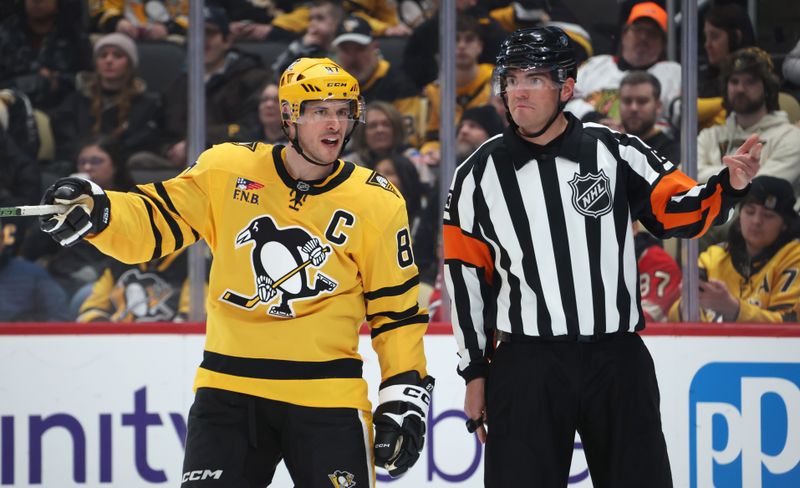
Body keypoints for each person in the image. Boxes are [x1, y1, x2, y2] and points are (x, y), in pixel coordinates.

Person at [39, 57, 433, 486]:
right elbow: (155, 220)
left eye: (343, 111)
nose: (335, 124)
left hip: (328, 398)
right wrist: (102, 213)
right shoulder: (227, 169)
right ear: (289, 116)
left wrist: (401, 392)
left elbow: (397, 312)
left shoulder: (378, 201)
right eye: (320, 110)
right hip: (229, 392)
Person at [443, 26, 762, 487]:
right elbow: (466, 281)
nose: (518, 91)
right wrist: (474, 374)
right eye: (510, 79)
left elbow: (677, 211)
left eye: (533, 78)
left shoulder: (615, 151)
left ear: (566, 87)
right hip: (526, 364)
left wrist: (727, 187)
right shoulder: (475, 175)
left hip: (616, 359)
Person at [670, 176, 800, 323]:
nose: (756, 221)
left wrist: (734, 309)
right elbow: (673, 319)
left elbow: (790, 324)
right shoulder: (713, 257)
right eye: (750, 212)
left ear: (785, 224)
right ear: (739, 216)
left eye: (768, 216)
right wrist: (686, 304)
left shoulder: (795, 257)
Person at [163, 6, 269, 167]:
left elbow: (250, 130)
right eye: (195, 34)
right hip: (180, 167)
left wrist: (201, 142)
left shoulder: (252, 79)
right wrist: (168, 149)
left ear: (227, 40)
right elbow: (159, 131)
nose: (201, 40)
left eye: (209, 33)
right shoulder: (178, 85)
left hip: (232, 164)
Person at [697, 47, 800, 207]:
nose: (740, 89)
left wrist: (708, 174)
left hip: (758, 224)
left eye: (750, 81)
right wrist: (741, 175)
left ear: (766, 88)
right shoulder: (708, 136)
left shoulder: (791, 137)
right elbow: (686, 176)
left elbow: (761, 188)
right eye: (734, 81)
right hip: (705, 222)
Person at [48, 32, 164, 168]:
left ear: (130, 64)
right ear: (96, 63)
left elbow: (145, 141)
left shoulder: (147, 104)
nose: (109, 60)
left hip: (125, 171)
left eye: (118, 56)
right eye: (103, 55)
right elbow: (65, 141)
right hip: (81, 167)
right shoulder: (75, 101)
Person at [566, 2, 680, 125]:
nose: (643, 37)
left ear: (663, 43)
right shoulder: (595, 65)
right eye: (638, 30)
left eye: (652, 33)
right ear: (624, 34)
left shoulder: (674, 73)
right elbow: (563, 100)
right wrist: (592, 118)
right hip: (590, 140)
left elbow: (681, 116)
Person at [333, 15, 425, 145]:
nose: (353, 58)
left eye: (360, 49)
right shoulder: (331, 87)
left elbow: (408, 139)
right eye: (345, 50)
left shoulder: (399, 85)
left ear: (375, 47)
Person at [0, 0, 92, 110]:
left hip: (62, 112)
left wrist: (56, 80)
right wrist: (37, 80)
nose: (36, 1)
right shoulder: (7, 31)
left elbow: (88, 79)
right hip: (10, 110)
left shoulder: (73, 35)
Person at [0, 216, 70, 322]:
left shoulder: (33, 274)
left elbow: (59, 317)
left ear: (2, 239)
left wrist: (29, 325)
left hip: (23, 336)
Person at [618, 71, 681, 163]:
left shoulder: (671, 154)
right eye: (627, 101)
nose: (633, 108)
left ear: (658, 106)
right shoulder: (608, 148)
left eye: (642, 101)